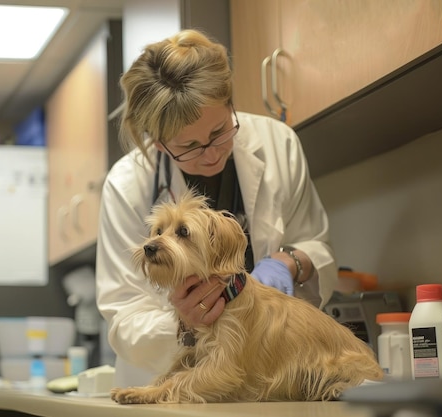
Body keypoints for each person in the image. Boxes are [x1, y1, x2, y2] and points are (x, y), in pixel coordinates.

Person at [95, 29, 337, 387]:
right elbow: (124, 314)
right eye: (190, 146)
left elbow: (317, 245)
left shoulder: (277, 144)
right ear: (159, 144)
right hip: (170, 384)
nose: (211, 154)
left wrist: (290, 261)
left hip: (268, 374)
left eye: (220, 131)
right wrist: (182, 320)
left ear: (230, 104)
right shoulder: (126, 185)